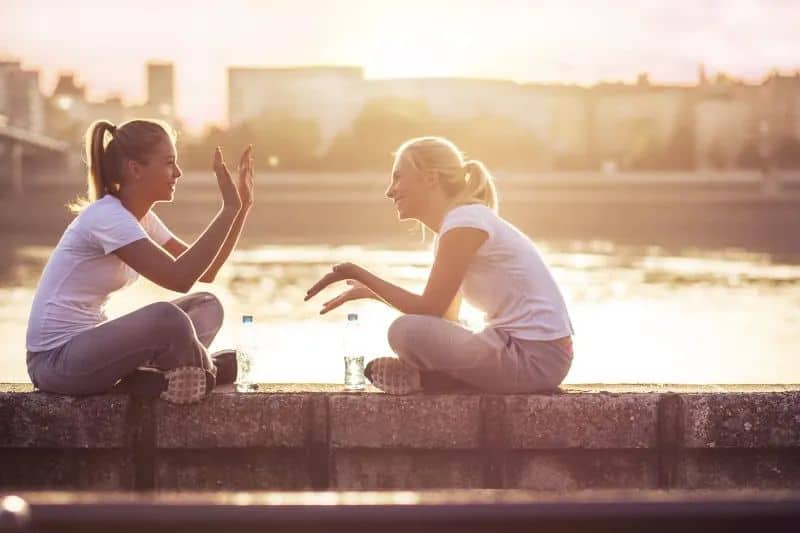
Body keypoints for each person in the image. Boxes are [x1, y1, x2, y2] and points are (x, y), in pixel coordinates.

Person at [305, 136, 573, 394]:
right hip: (532, 354)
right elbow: (444, 317)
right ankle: (437, 379)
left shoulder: (465, 222)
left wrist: (357, 272)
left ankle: (433, 379)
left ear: (431, 178)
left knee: (404, 331)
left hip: (536, 359)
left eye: (398, 177)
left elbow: (429, 308)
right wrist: (372, 292)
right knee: (419, 329)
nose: (390, 191)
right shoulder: (457, 226)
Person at [25, 119, 254, 403]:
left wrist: (239, 209)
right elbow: (179, 278)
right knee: (166, 317)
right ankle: (205, 370)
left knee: (207, 305)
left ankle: (162, 376)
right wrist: (228, 209)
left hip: (89, 353)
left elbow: (206, 272)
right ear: (135, 169)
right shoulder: (107, 217)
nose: (178, 173)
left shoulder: (142, 218)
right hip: (55, 363)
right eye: (169, 162)